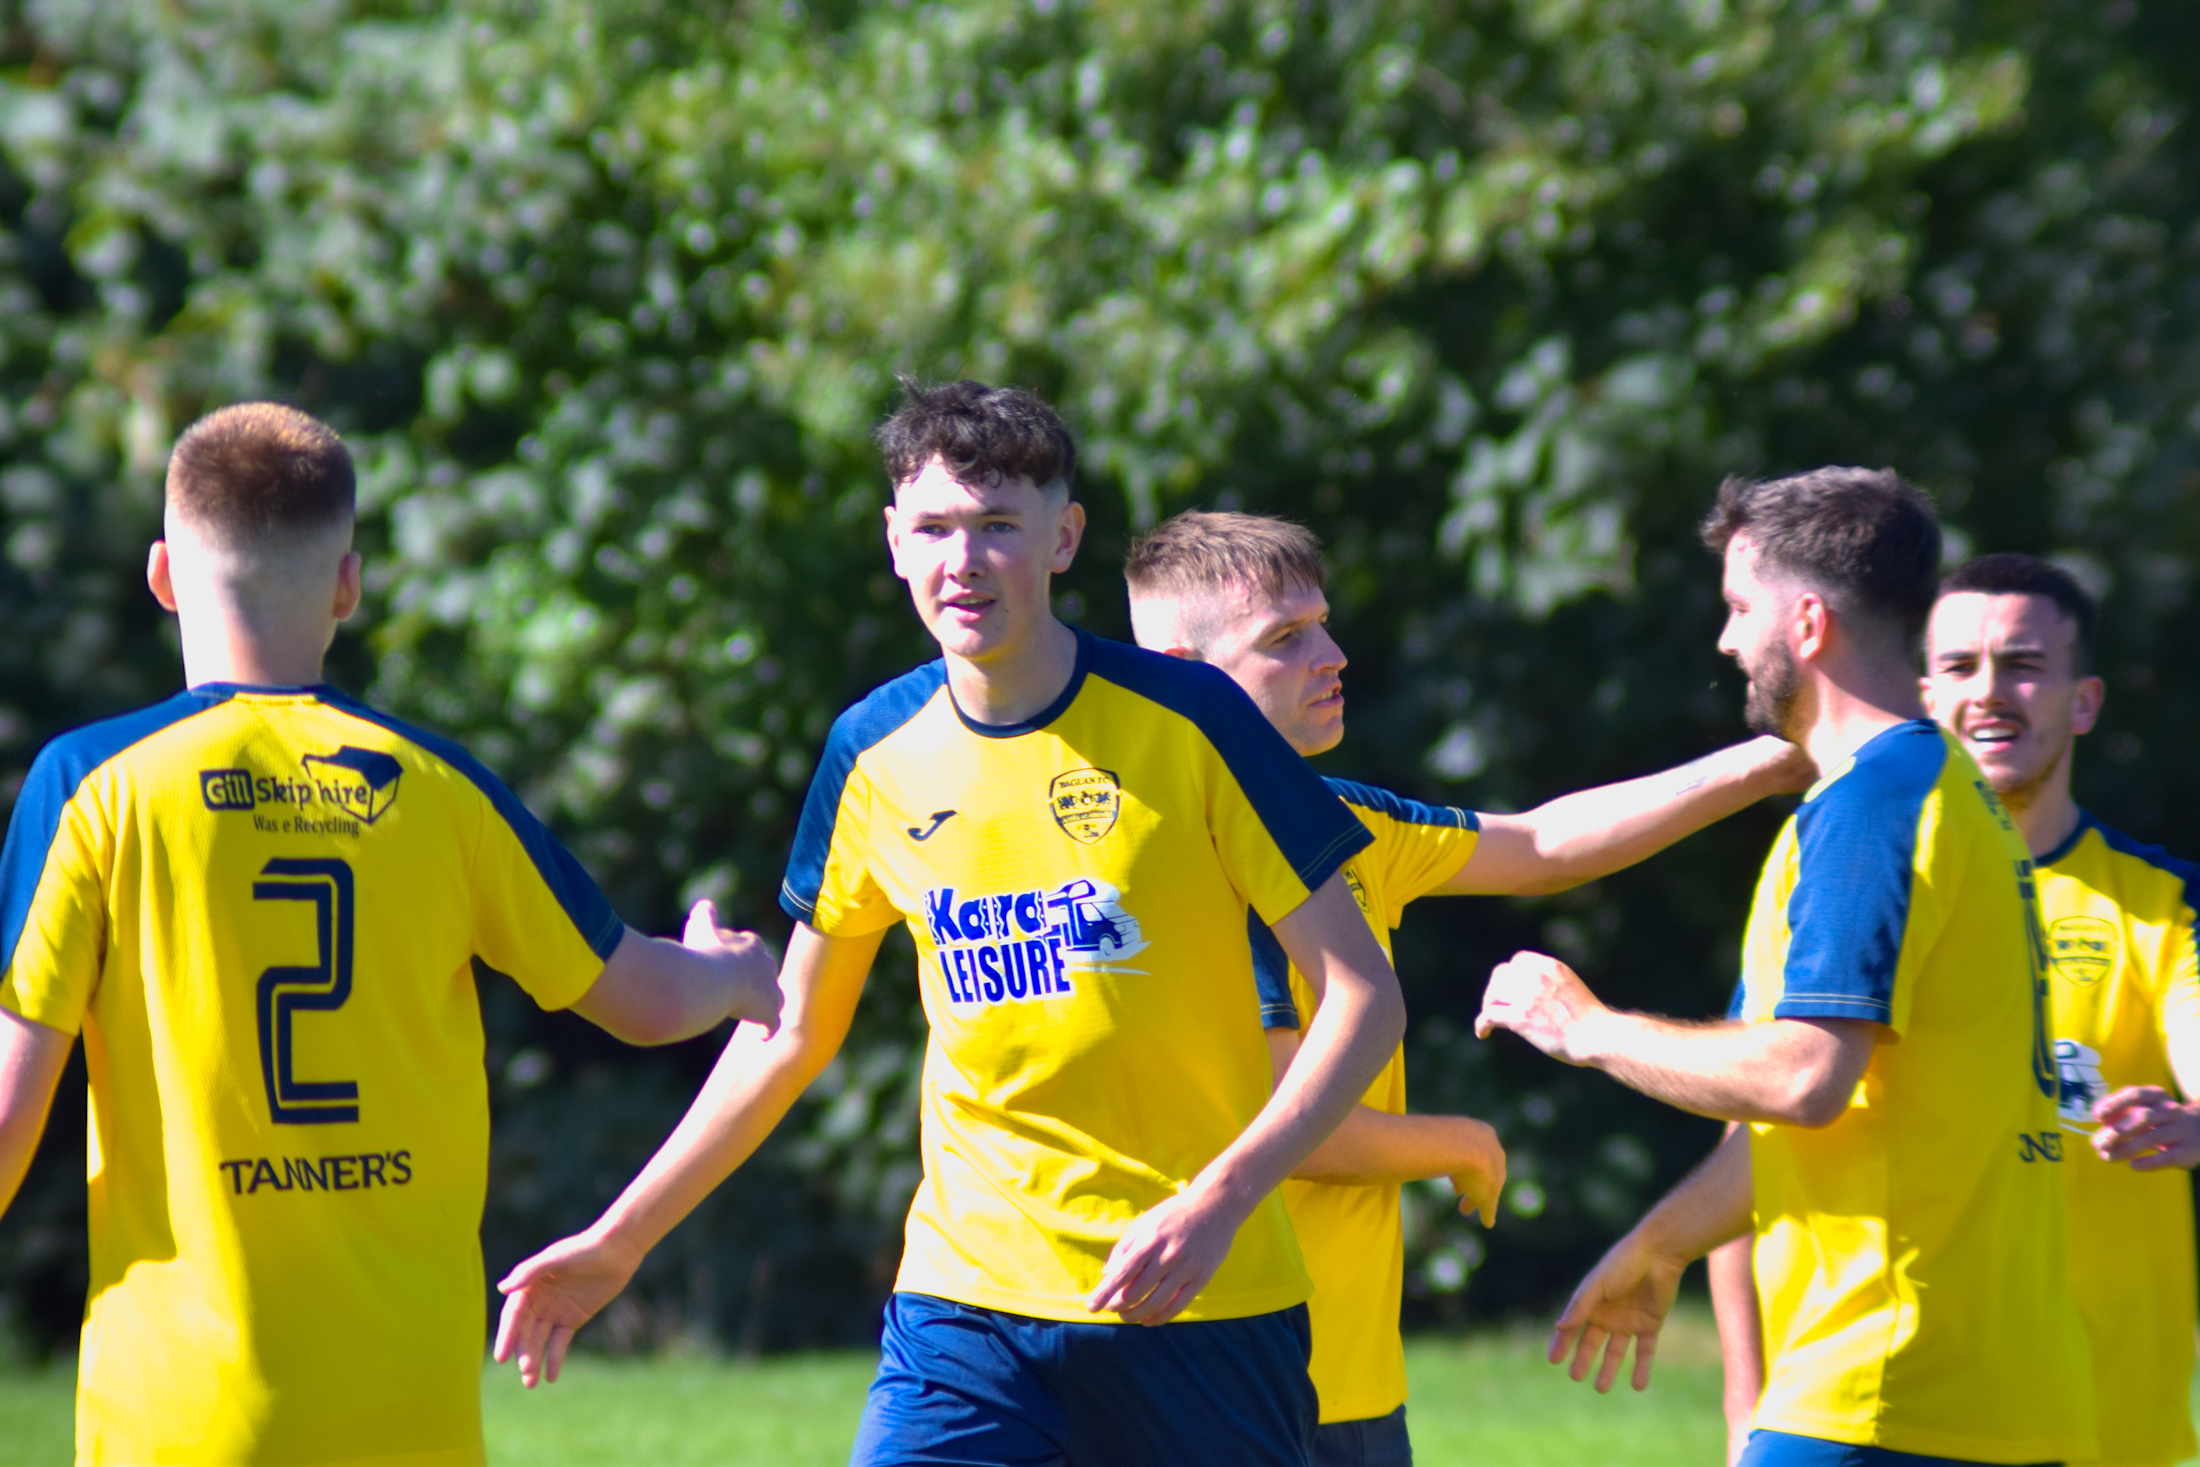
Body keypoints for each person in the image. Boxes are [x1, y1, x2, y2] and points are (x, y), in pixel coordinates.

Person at [491, 380, 1408, 1466]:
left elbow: (1365, 997)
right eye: (932, 529)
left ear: (1063, 538)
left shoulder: (1194, 719)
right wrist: (621, 1237)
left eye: (998, 527)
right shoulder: (872, 749)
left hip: (1201, 1299)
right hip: (965, 1306)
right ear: (893, 542)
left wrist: (1223, 1196)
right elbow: (791, 1029)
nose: (962, 561)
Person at [0, 403, 783, 1467]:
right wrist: (730, 972)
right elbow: (644, 1000)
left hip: (183, 1415)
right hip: (408, 1409)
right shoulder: (441, 787)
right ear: (347, 586)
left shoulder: (92, 785)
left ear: (163, 576)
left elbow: (11, 1118)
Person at [1122, 509, 1812, 1466]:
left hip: (1347, 1375)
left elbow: (1541, 844)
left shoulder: (1335, 818)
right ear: (1181, 671)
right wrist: (1460, 1142)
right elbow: (1289, 1125)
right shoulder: (1188, 849)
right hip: (1235, 1372)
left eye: (1322, 623)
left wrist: (1780, 759)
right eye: (1286, 638)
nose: (1333, 655)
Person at [1475, 468, 2095, 1466]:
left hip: (1885, 1383)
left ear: (1806, 624)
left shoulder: (1870, 809)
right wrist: (1663, 1243)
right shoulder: (1940, 791)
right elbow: (1829, 1114)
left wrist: (1585, 1027)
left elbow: (1805, 1077)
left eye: (1738, 607)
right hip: (1993, 1388)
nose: (1726, 641)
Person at [1712, 552, 2200, 1467]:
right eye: (1960, 666)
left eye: (2024, 665)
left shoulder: (2162, 902)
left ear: (2085, 700)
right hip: (1882, 1406)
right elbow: (1747, 1151)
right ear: (1925, 691)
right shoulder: (1845, 868)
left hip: (2108, 1427)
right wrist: (1745, 1407)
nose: (1989, 692)